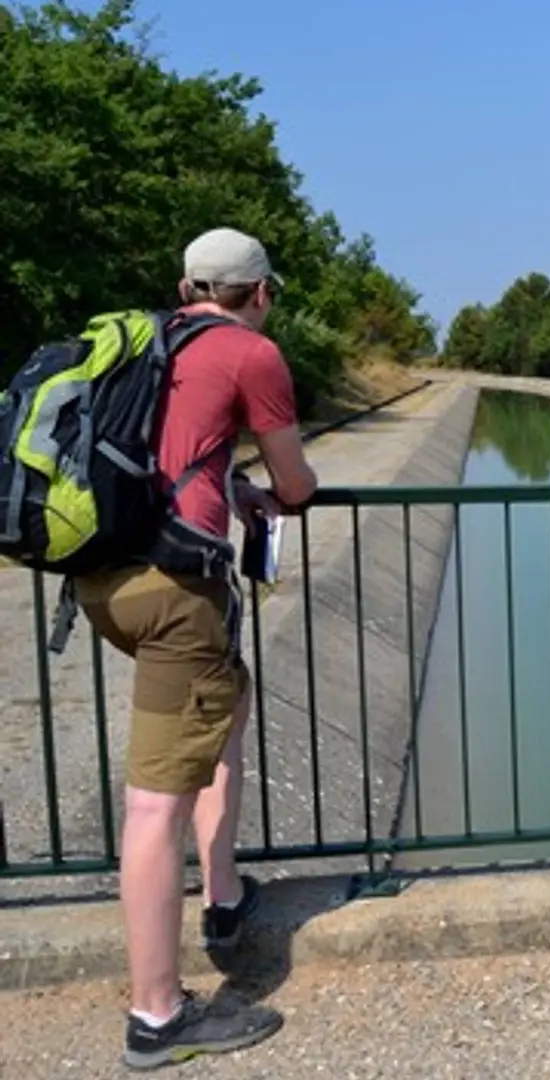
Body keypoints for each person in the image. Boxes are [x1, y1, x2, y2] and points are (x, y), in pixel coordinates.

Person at [76, 226, 320, 1071]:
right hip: (176, 591)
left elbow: (165, 450)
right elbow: (297, 484)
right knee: (154, 806)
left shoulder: (147, 342)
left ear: (186, 290)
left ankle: (224, 896)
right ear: (260, 292)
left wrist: (228, 484)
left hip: (103, 578)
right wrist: (272, 490)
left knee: (224, 711)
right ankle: (157, 1016)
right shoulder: (253, 352)